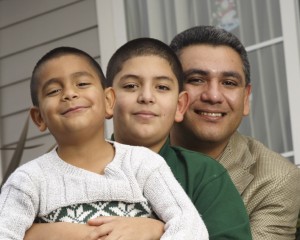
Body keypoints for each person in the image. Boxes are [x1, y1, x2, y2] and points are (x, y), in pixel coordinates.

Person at [24, 39, 252, 240]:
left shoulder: (202, 175)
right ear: (109, 100)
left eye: (162, 87)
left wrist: (155, 230)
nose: (146, 97)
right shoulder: (45, 177)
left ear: (180, 105)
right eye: (131, 86)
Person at [169, 25, 300, 239]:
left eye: (229, 83)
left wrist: (156, 231)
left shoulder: (276, 179)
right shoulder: (128, 152)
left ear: (246, 98)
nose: (213, 96)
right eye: (196, 80)